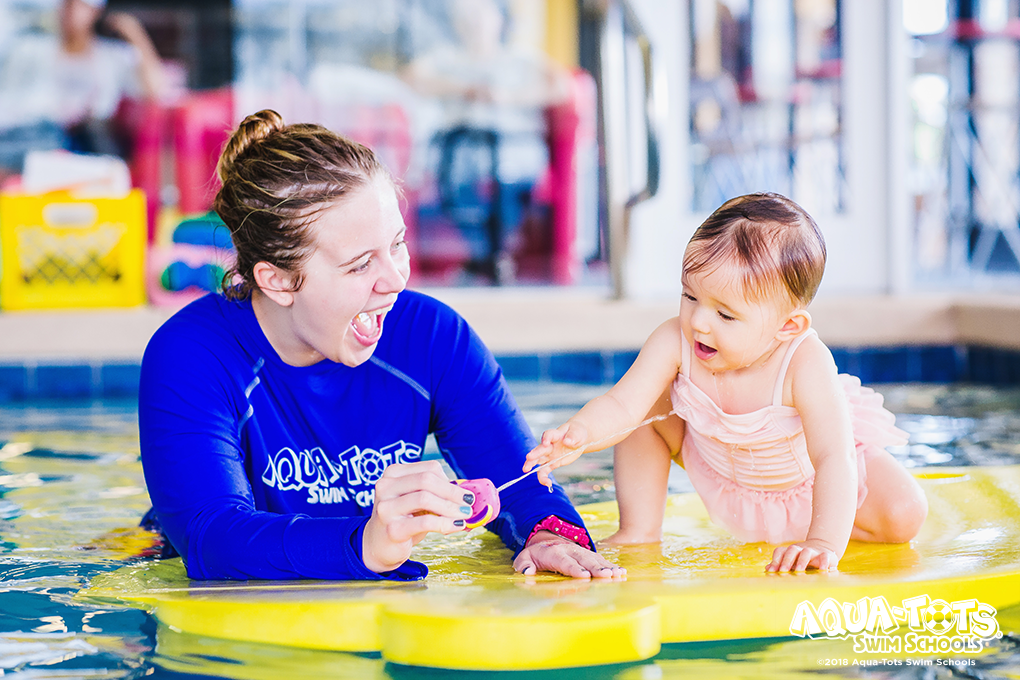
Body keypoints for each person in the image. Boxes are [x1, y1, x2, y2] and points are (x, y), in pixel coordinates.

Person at [138, 109, 624, 582]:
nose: (394, 281)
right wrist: (365, 545)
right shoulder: (191, 356)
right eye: (359, 265)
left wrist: (548, 536)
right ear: (278, 280)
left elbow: (518, 482)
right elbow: (211, 538)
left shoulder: (431, 338)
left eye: (397, 245)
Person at [523, 193, 928, 572]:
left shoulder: (803, 362)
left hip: (802, 478)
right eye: (690, 296)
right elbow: (622, 406)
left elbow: (831, 457)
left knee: (904, 513)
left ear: (787, 326)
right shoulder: (673, 339)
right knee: (644, 415)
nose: (698, 322)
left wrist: (822, 541)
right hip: (718, 463)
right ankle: (639, 530)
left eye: (726, 315)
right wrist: (580, 434)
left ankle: (809, 526)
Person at [0, 0, 163, 175]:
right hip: (35, 138)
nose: (69, 12)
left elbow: (156, 91)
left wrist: (135, 34)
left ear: (95, 12)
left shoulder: (113, 56)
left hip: (87, 146)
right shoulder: (31, 50)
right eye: (66, 5)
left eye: (77, 5)